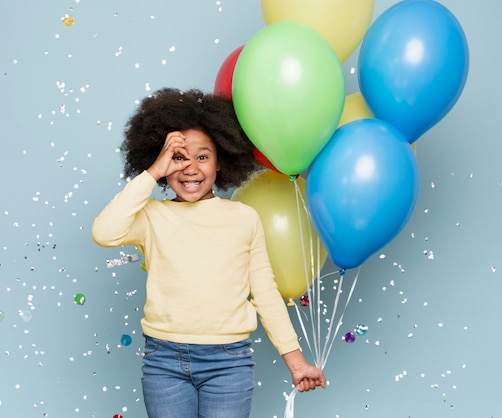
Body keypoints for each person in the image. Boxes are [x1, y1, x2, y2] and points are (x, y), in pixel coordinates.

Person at [91, 88, 326, 418]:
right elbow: (103, 232)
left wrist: (296, 361)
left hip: (228, 364)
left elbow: (265, 293)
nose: (190, 168)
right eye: (178, 158)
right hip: (164, 361)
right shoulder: (151, 217)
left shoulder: (243, 218)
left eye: (202, 157)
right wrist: (153, 172)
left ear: (221, 162)